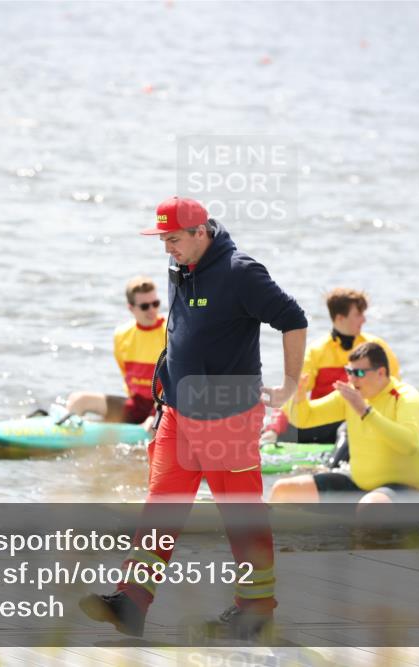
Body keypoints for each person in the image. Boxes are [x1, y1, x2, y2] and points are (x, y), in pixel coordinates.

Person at [79, 196, 307, 640]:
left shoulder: (241, 272)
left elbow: (293, 318)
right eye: (163, 239)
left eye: (175, 238)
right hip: (178, 412)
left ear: (201, 232)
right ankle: (130, 601)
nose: (168, 247)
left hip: (228, 417)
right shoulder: (181, 265)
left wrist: (290, 386)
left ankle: (257, 612)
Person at [268, 341, 419, 505]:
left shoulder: (406, 398)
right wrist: (298, 398)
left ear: (381, 372)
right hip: (362, 487)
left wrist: (365, 412)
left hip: (411, 493)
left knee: (370, 506)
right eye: (349, 371)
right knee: (283, 490)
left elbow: (409, 444)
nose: (352, 379)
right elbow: (305, 420)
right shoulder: (350, 395)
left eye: (359, 373)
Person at [260, 288, 401, 448]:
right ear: (340, 318)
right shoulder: (316, 352)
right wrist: (275, 429)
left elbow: (395, 389)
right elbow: (293, 394)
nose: (364, 320)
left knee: (347, 424)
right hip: (322, 422)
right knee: (287, 429)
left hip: (362, 419)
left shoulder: (376, 348)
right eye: (358, 314)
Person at [60, 277, 165, 426]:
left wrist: (155, 414)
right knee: (78, 400)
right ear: (131, 308)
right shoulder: (121, 335)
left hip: (162, 407)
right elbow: (126, 375)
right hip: (135, 405)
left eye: (155, 304)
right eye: (145, 306)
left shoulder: (171, 333)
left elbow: (174, 382)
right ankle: (63, 436)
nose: (152, 310)